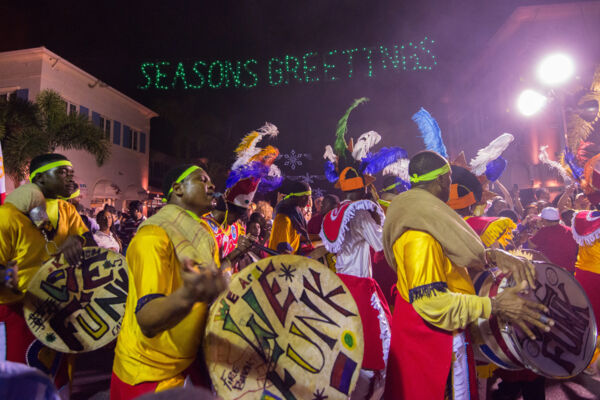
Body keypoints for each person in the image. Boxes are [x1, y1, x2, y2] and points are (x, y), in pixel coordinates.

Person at [382, 151, 553, 400]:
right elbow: (431, 302)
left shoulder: (425, 220)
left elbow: (453, 262)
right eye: (449, 179)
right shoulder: (420, 237)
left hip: (440, 337)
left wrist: (493, 255)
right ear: (443, 181)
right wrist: (494, 305)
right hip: (431, 347)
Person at [111, 164, 227, 400]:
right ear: (178, 189)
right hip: (150, 372)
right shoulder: (153, 236)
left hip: (190, 360)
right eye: (202, 179)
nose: (212, 186)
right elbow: (147, 319)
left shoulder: (202, 232)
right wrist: (190, 294)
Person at [0, 153, 91, 391]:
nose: (71, 179)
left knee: (58, 380)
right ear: (39, 177)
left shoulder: (67, 210)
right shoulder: (8, 216)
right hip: (18, 313)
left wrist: (79, 244)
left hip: (59, 308)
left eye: (72, 173)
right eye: (63, 173)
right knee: (19, 383)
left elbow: (88, 243)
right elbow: (2, 270)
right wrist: (13, 286)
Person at [269, 180, 313, 255]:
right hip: (280, 264)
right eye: (306, 197)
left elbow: (299, 238)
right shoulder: (284, 219)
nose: (308, 200)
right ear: (300, 197)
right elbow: (284, 251)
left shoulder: (296, 214)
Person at [528, 207, 578, 273]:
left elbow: (531, 245)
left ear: (544, 220)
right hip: (570, 271)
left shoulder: (544, 231)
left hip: (552, 272)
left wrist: (537, 228)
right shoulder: (570, 230)